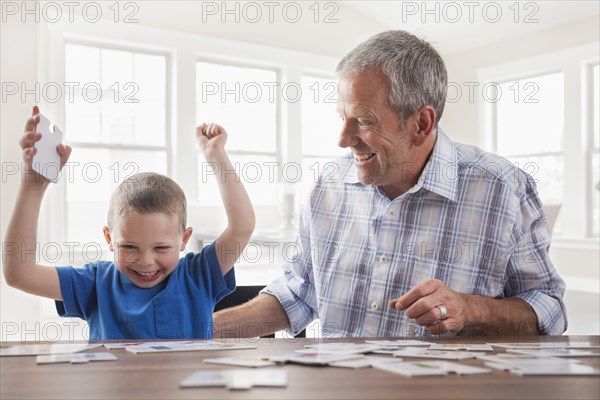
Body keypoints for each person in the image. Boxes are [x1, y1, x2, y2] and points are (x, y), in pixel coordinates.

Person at [214, 30, 567, 338]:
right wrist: (198, 329)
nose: (343, 139)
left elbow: (548, 308)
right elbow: (299, 293)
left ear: (421, 123)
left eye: (363, 121)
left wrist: (469, 309)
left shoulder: (504, 188)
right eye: (342, 118)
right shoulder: (328, 187)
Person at [3, 107, 255, 340]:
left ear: (184, 240)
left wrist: (216, 156)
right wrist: (33, 188)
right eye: (129, 247)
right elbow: (19, 273)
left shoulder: (199, 275)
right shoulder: (95, 282)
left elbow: (242, 226)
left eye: (160, 248)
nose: (145, 261)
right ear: (109, 239)